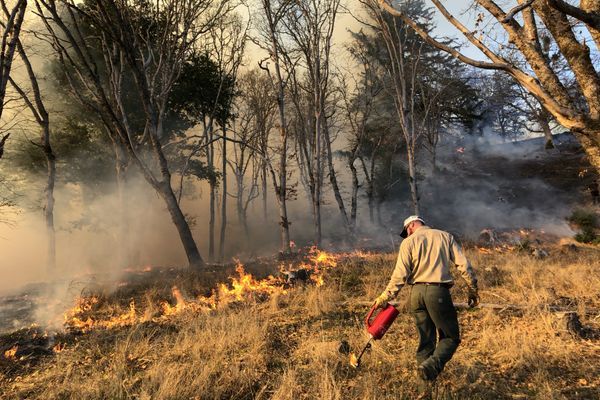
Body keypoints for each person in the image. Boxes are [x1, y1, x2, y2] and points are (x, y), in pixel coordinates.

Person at [373, 215, 479, 383]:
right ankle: (430, 367)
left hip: (416, 295)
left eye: (407, 230)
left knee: (426, 342)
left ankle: (425, 389)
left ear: (412, 225)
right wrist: (473, 289)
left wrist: (385, 296)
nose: (408, 233)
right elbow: (463, 265)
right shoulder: (445, 236)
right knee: (451, 338)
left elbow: (399, 276)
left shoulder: (408, 243)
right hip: (438, 293)